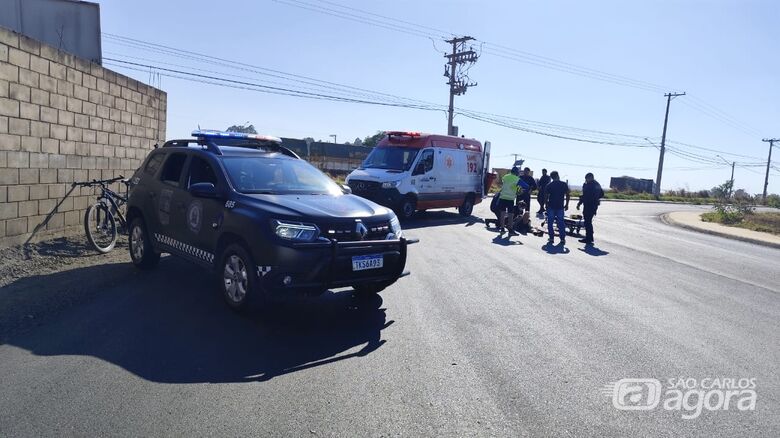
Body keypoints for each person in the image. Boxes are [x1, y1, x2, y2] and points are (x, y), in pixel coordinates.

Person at [497, 167, 528, 236]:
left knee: (502, 213)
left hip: (502, 197)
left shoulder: (505, 177)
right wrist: (519, 189)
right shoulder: (517, 179)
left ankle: (502, 229)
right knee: (511, 214)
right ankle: (510, 230)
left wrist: (515, 188)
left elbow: (508, 185)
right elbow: (526, 186)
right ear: (517, 172)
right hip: (510, 199)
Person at [576, 172, 604, 245]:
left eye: (587, 178)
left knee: (588, 222)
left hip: (590, 205)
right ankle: (590, 237)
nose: (586, 180)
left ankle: (588, 238)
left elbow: (600, 194)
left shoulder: (591, 185)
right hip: (590, 205)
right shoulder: (595, 184)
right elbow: (601, 194)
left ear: (591, 177)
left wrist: (593, 198)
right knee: (588, 221)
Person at [544, 171, 570, 245]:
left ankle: (551, 238)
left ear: (551, 177)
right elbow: (568, 195)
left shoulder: (549, 185)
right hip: (560, 206)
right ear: (558, 175)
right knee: (561, 223)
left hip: (551, 206)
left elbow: (545, 196)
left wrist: (546, 205)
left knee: (550, 222)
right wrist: (567, 204)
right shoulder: (563, 184)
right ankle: (562, 239)